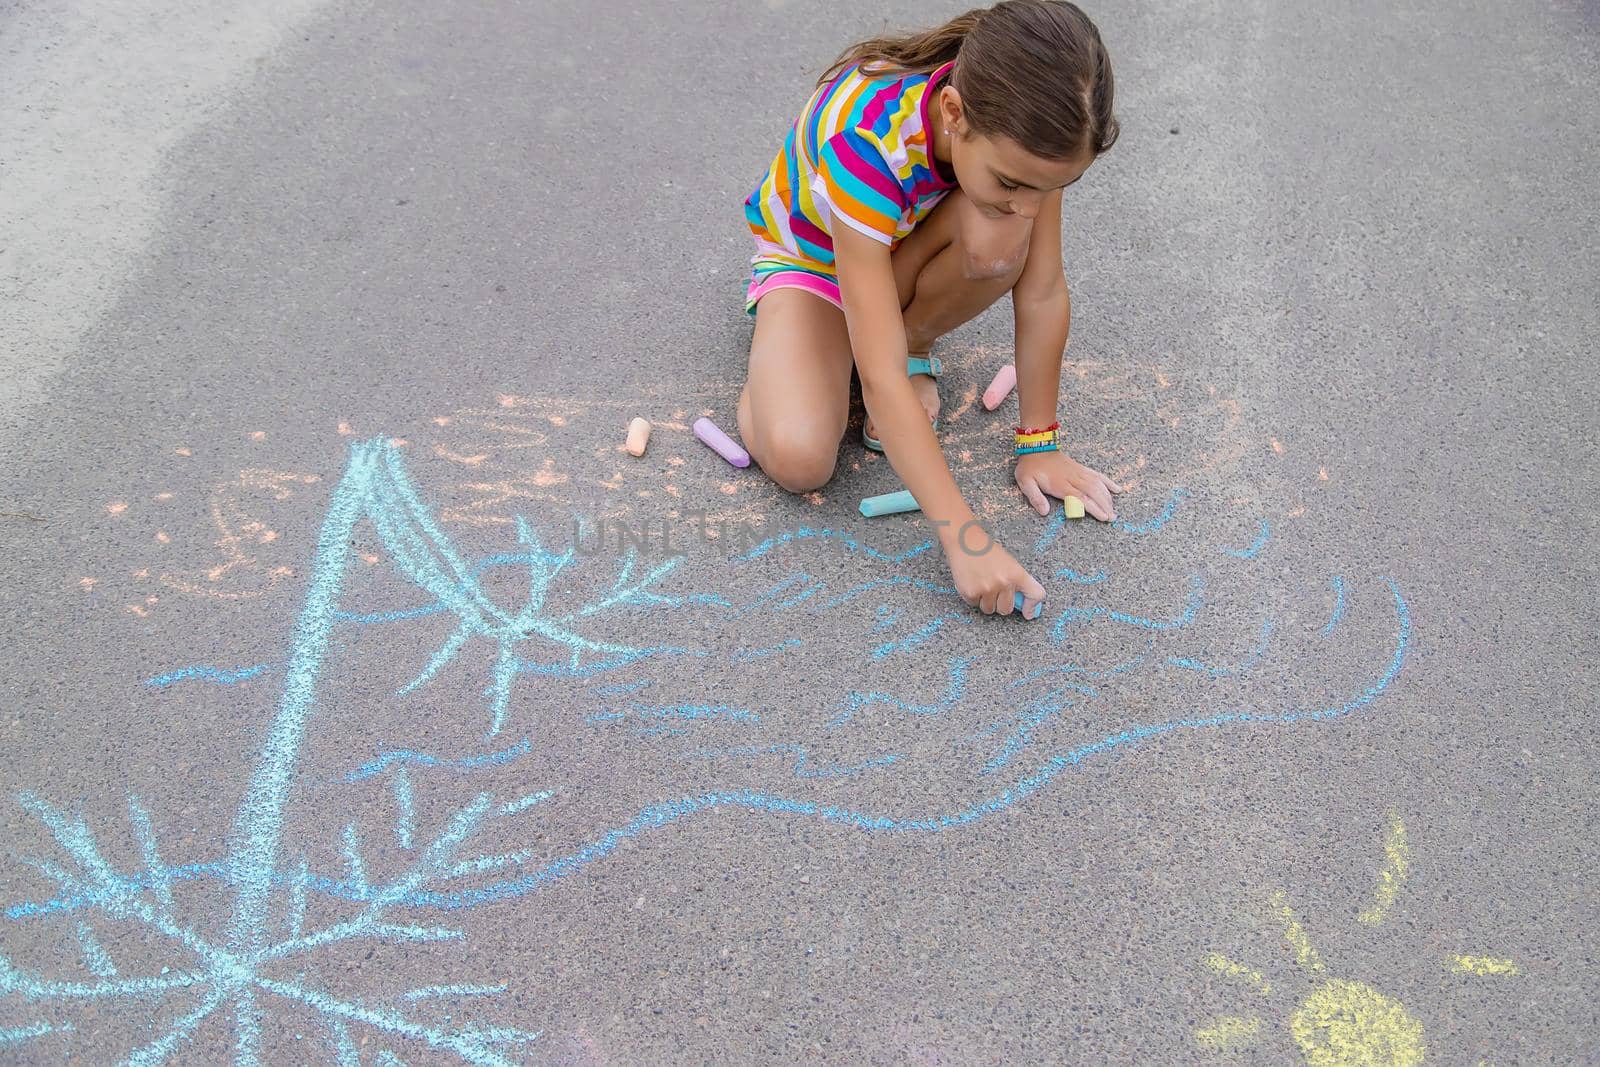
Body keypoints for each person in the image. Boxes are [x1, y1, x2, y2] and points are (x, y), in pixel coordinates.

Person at [736, 0, 1125, 620]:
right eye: (1014, 184)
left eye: (1050, 190)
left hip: (901, 237)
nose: (1031, 207)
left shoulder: (1024, 128)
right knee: (801, 457)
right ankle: (797, 356)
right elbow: (883, 371)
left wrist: (1040, 442)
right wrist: (964, 537)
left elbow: (1043, 290)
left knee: (998, 235)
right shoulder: (866, 145)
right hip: (817, 263)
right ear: (953, 114)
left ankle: (903, 339)